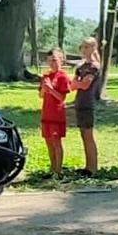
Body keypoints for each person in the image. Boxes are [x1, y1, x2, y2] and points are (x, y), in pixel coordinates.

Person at [72, 38, 105, 175]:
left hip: (88, 104)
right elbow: (73, 84)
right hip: (79, 102)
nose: (84, 49)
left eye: (87, 47)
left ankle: (93, 167)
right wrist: (78, 83)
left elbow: (85, 84)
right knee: (83, 135)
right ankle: (88, 166)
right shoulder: (81, 67)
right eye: (82, 47)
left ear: (93, 47)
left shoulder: (94, 66)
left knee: (88, 135)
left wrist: (78, 83)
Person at [38, 48, 72, 177]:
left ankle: (59, 170)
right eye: (50, 61)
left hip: (57, 113)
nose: (52, 63)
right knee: (48, 141)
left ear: (61, 61)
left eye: (55, 60)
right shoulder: (46, 76)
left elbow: (62, 98)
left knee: (56, 141)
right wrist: (44, 88)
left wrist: (51, 89)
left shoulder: (62, 77)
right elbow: (41, 95)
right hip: (46, 112)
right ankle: (52, 168)